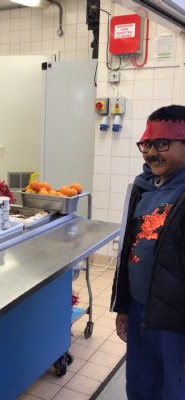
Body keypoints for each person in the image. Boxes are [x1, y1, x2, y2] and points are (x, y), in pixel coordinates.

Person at [111, 105, 185, 400]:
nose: (152, 153)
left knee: (174, 386)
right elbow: (126, 251)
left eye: (162, 143)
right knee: (140, 382)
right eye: (147, 144)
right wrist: (122, 305)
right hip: (139, 308)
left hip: (175, 319)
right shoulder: (141, 188)